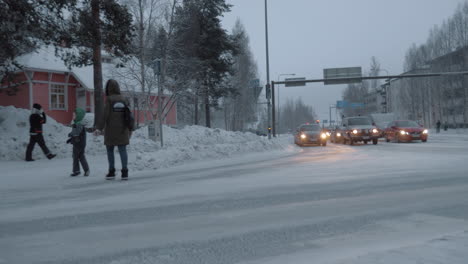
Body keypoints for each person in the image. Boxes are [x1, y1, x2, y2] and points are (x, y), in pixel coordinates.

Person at [95, 79, 133, 180]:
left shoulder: (109, 99)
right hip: (123, 129)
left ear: (108, 88)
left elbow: (105, 115)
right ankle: (125, 172)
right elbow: (129, 114)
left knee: (110, 150)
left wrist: (99, 127)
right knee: (122, 150)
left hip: (111, 130)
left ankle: (111, 171)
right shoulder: (124, 99)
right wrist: (131, 128)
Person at [67, 108, 90, 177]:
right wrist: (71, 139)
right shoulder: (77, 123)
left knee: (78, 156)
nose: (73, 116)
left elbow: (76, 133)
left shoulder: (79, 124)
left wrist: (70, 135)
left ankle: (80, 170)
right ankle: (82, 170)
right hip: (78, 143)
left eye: (74, 115)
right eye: (73, 115)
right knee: (78, 156)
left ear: (79, 116)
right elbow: (75, 133)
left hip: (79, 143)